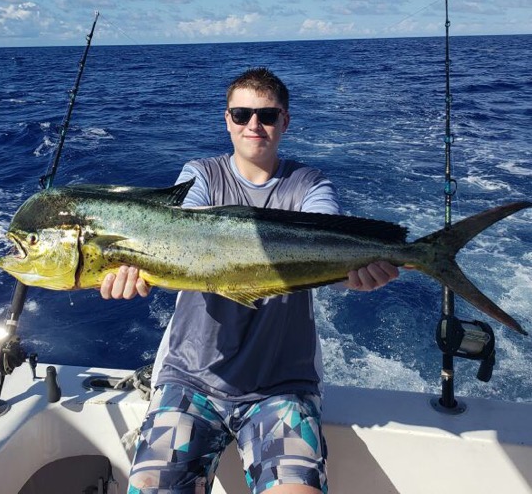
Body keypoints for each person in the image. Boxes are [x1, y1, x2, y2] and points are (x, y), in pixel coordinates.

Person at [101, 67, 398, 494]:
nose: (253, 126)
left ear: (285, 121)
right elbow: (181, 226)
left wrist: (356, 275)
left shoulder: (310, 184)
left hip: (282, 386)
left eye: (267, 116)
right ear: (227, 120)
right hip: (191, 379)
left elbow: (326, 238)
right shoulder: (200, 175)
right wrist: (129, 265)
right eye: (241, 115)